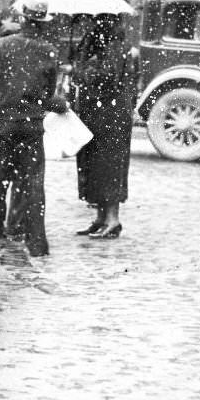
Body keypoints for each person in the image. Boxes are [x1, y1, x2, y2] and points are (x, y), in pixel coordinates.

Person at [0, 0, 69, 257]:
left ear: (23, 20)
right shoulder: (49, 51)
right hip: (31, 128)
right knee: (33, 186)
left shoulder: (3, 45)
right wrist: (38, 105)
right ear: (43, 24)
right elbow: (49, 94)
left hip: (2, 124)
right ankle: (37, 243)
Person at [70, 13, 138, 239]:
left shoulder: (115, 45)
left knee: (108, 166)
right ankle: (100, 218)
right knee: (93, 165)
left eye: (89, 19)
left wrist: (80, 70)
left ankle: (112, 219)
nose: (85, 23)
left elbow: (107, 74)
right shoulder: (94, 41)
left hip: (111, 114)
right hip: (97, 112)